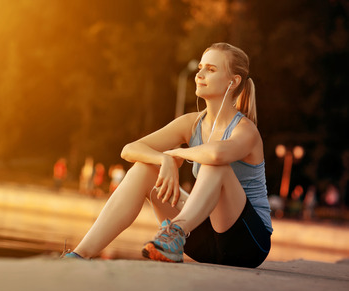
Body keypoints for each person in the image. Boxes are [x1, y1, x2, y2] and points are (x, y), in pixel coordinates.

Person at [63, 43, 273, 268]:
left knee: (215, 164)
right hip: (202, 239)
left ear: (233, 81)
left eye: (211, 70)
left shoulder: (245, 130)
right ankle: (78, 257)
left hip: (247, 243)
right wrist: (163, 159)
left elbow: (217, 154)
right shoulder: (191, 123)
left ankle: (174, 234)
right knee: (144, 169)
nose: (199, 75)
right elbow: (130, 150)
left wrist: (175, 153)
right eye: (200, 68)